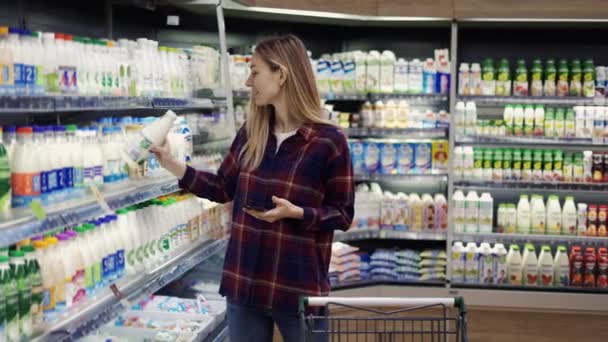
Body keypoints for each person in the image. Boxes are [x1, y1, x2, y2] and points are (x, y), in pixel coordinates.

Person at [151, 34, 354, 342]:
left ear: (281, 75)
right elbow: (221, 188)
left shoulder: (329, 141)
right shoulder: (252, 133)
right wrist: (171, 163)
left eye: (255, 71)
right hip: (245, 282)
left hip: (298, 287)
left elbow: (342, 214)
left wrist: (298, 213)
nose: (248, 82)